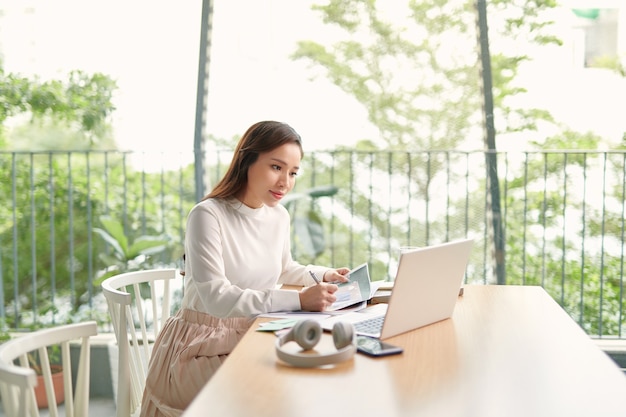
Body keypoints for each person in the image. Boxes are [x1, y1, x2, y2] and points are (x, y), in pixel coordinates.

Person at [140, 121, 350, 417]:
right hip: (198, 348)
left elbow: (285, 268)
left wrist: (324, 275)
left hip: (252, 334)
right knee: (276, 391)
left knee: (312, 375)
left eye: (293, 173)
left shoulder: (278, 216)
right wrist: (300, 301)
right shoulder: (207, 215)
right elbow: (216, 297)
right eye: (276, 167)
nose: (285, 183)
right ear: (247, 160)